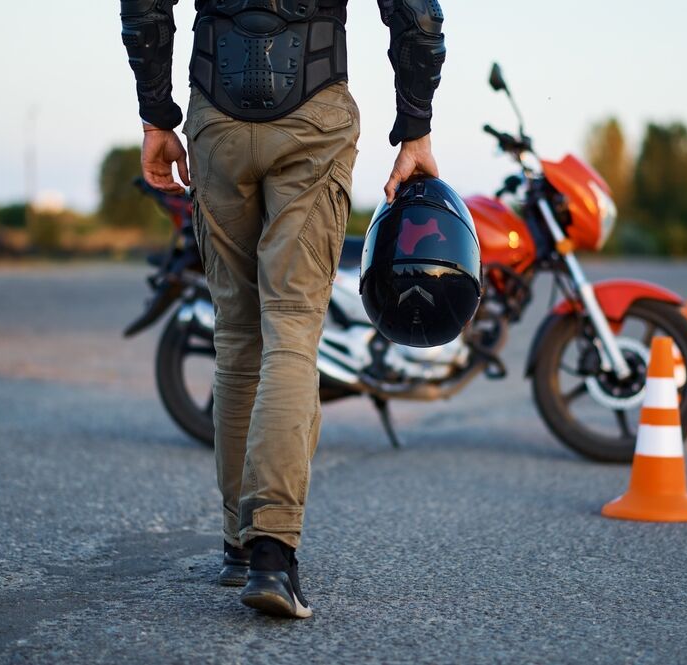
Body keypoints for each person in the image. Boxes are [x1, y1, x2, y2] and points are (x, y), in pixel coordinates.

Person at [119, 0, 446, 618]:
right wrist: (415, 126)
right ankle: (272, 553)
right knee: (292, 330)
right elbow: (417, 16)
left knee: (238, 335)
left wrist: (156, 115)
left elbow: (143, 7)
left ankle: (240, 547)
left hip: (216, 111)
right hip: (313, 112)